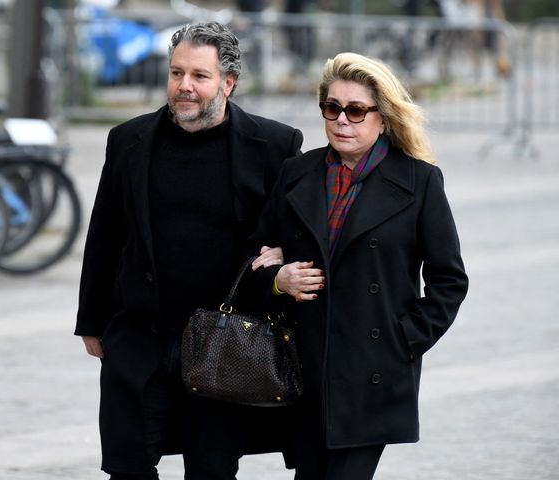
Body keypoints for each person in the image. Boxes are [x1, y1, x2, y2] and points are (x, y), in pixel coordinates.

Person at [74, 21, 303, 479]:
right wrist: (92, 321)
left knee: (212, 469)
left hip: (225, 343)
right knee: (127, 464)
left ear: (228, 83)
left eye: (199, 76)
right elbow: (105, 234)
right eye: (177, 73)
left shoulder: (276, 145)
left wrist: (279, 265)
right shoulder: (128, 141)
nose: (184, 87)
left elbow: (287, 235)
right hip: (141, 337)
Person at [247, 52, 469, 479]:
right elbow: (252, 255)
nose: (341, 121)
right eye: (332, 108)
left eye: (355, 110)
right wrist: (277, 279)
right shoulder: (296, 173)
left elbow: (449, 280)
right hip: (306, 370)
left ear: (382, 118)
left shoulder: (419, 181)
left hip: (373, 372)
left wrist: (402, 340)